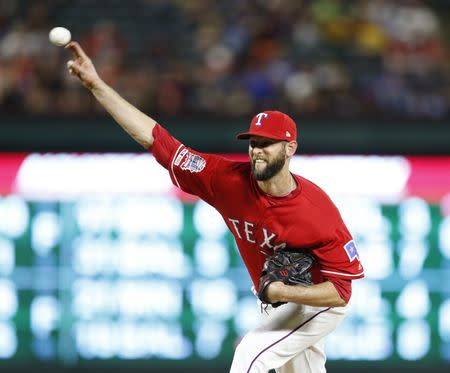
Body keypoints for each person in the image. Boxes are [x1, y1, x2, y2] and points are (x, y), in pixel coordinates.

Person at [65, 41, 364, 373]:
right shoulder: (226, 180)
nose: (257, 151)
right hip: (279, 302)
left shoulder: (316, 210)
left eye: (267, 144)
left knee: (250, 354)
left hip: (317, 303)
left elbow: (341, 292)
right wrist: (97, 85)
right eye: (253, 143)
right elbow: (156, 140)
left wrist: (281, 288)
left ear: (290, 147)